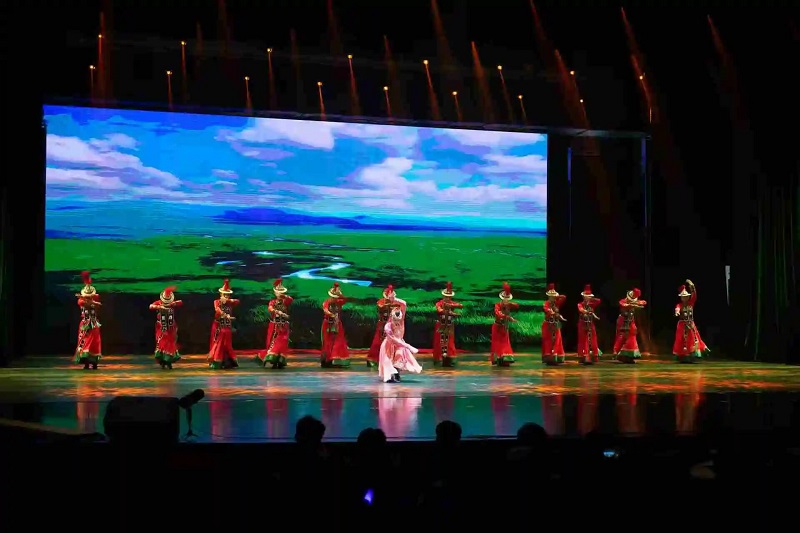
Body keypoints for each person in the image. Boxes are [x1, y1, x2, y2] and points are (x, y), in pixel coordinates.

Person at [379, 303, 422, 383]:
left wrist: (395, 299)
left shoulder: (401, 322)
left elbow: (404, 304)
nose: (397, 321)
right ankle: (390, 376)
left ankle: (397, 375)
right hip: (389, 344)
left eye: (398, 319)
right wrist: (408, 346)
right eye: (395, 320)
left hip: (400, 345)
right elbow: (393, 339)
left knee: (399, 358)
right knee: (388, 360)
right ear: (391, 317)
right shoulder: (388, 326)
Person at [257, 278, 293, 369]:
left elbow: (290, 299)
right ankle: (272, 357)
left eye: (281, 292)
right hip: (275, 326)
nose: (280, 294)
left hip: (284, 326)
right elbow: (270, 308)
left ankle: (280, 359)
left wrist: (284, 296)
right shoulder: (273, 302)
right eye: (278, 292)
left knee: (283, 342)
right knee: (275, 341)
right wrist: (276, 311)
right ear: (275, 293)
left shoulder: (285, 301)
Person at [673, 279, 710, 363]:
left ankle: (692, 356)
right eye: (683, 296)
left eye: (686, 296)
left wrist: (692, 286)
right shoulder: (679, 305)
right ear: (681, 297)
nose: (685, 298)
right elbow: (677, 308)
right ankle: (683, 356)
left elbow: (694, 295)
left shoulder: (691, 303)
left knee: (693, 339)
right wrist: (677, 312)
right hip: (682, 325)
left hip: (691, 324)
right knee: (682, 340)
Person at [208, 279, 240, 369]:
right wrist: (225, 315)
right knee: (217, 343)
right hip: (218, 327)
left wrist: (228, 301)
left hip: (227, 327)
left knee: (227, 344)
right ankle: (216, 361)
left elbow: (237, 301)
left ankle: (227, 361)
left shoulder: (230, 303)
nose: (226, 296)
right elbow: (217, 309)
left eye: (227, 295)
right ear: (221, 294)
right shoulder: (217, 302)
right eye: (224, 295)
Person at [149, 285, 183, 369]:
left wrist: (173, 303)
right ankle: (162, 361)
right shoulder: (159, 303)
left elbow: (180, 302)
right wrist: (159, 307)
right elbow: (150, 306)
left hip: (171, 327)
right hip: (161, 326)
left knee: (170, 342)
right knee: (162, 342)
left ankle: (169, 361)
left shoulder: (172, 304)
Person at [74, 270, 102, 369]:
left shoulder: (95, 299)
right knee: (85, 342)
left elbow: (96, 303)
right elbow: (86, 303)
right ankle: (86, 363)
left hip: (94, 324)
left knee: (95, 342)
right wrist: (89, 300)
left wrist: (93, 301)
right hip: (85, 324)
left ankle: (94, 363)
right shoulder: (81, 301)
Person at [367, 285, 400, 368]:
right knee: (378, 342)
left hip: (392, 325)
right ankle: (373, 359)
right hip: (382, 324)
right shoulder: (381, 302)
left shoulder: (395, 303)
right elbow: (381, 307)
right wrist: (388, 303)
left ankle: (391, 359)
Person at [432, 281, 463, 367]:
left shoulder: (452, 303)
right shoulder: (439, 303)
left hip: (449, 325)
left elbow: (460, 305)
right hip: (441, 325)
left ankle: (449, 359)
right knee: (439, 342)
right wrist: (448, 311)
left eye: (449, 297)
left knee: (449, 342)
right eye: (446, 296)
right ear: (443, 296)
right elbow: (439, 310)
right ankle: (439, 359)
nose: (448, 298)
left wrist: (453, 306)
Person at [613, 288, 647, 363]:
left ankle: (629, 355)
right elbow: (623, 304)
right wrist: (632, 305)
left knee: (632, 334)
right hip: (623, 320)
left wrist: (637, 303)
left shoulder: (635, 302)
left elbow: (644, 302)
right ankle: (619, 354)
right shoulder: (623, 301)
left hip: (630, 320)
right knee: (622, 336)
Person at [321, 282, 350, 368]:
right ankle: (326, 360)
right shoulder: (326, 302)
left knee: (337, 341)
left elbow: (345, 299)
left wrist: (340, 294)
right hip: (328, 324)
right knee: (327, 342)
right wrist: (332, 315)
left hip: (337, 324)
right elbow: (325, 310)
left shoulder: (338, 302)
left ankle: (334, 358)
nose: (335, 299)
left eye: (336, 297)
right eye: (333, 297)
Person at [491, 282, 519, 366]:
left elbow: (517, 306)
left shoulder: (509, 305)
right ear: (502, 298)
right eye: (505, 299)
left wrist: (511, 304)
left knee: (505, 342)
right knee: (497, 343)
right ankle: (498, 358)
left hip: (504, 326)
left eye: (507, 299)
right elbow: (498, 313)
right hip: (497, 326)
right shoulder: (497, 305)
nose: (506, 300)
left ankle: (505, 358)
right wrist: (508, 317)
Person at [542, 283, 567, 365]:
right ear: (548, 296)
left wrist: (557, 296)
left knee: (557, 339)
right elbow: (546, 309)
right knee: (548, 340)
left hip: (556, 323)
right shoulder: (546, 303)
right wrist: (552, 312)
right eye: (551, 296)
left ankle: (556, 357)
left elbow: (564, 297)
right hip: (548, 324)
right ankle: (549, 357)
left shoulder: (557, 303)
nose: (552, 297)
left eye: (553, 296)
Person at [577, 284, 602, 365]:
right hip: (582, 324)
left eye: (589, 296)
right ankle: (584, 356)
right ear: (583, 297)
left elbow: (599, 301)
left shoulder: (592, 304)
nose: (587, 298)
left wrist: (591, 298)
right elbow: (581, 310)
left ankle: (594, 356)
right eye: (586, 296)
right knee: (583, 340)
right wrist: (586, 311)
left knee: (593, 339)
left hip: (590, 323)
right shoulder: (580, 304)